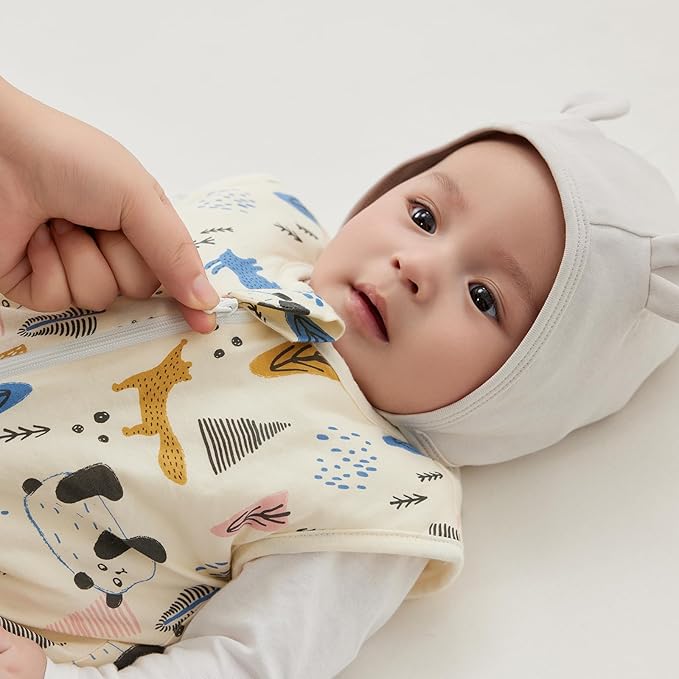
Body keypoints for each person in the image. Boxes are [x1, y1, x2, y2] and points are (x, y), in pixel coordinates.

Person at [1, 82, 679, 679]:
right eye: (423, 216)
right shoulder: (262, 221)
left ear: (522, 394)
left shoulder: (380, 500)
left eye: (483, 297)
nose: (416, 265)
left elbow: (248, 662)